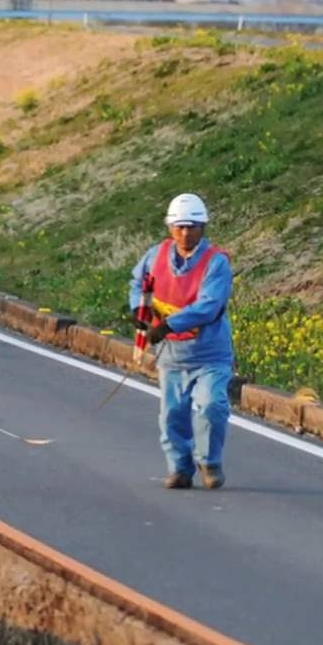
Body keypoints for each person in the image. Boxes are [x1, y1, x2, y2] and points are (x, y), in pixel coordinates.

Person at [129, 193, 234, 491]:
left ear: (203, 227)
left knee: (211, 405)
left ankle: (209, 462)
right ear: (170, 228)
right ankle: (180, 468)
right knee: (172, 414)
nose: (185, 233)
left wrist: (168, 325)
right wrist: (139, 311)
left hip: (210, 353)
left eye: (192, 226)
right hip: (172, 355)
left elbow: (209, 305)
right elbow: (138, 284)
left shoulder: (216, 263)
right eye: (179, 227)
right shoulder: (155, 255)